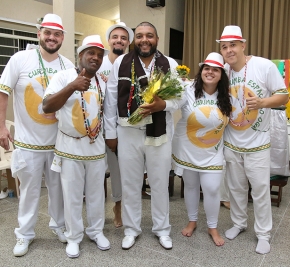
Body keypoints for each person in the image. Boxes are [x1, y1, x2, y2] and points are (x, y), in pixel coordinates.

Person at [0, 13, 75, 257]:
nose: (52, 38)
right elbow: (2, 93)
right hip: (28, 143)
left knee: (58, 190)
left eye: (57, 34)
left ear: (62, 37)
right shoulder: (20, 59)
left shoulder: (68, 66)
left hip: (59, 142)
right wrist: (0, 126)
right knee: (29, 191)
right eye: (47, 33)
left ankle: (59, 226)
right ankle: (25, 234)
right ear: (39, 33)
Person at [104, 21, 180, 250]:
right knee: (130, 183)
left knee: (159, 183)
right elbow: (110, 99)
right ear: (133, 40)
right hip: (128, 132)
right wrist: (110, 133)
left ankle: (162, 229)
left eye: (149, 35)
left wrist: (163, 105)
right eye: (139, 36)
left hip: (159, 133)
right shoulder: (120, 62)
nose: (144, 40)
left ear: (157, 39)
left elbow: (180, 99)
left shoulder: (171, 64)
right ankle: (131, 229)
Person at [217, 25, 289, 254]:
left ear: (243, 45)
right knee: (236, 188)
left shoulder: (263, 66)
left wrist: (262, 103)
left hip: (257, 143)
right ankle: (239, 223)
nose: (229, 50)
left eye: (233, 45)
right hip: (231, 141)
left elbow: (284, 96)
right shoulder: (223, 71)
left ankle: (263, 233)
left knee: (259, 189)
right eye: (224, 46)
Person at [42, 35, 110, 258]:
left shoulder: (102, 81)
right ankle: (73, 237)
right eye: (91, 53)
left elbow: (105, 113)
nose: (96, 58)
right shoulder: (63, 76)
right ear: (80, 55)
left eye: (100, 55)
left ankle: (96, 231)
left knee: (96, 194)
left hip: (96, 146)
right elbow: (46, 106)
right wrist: (72, 87)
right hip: (69, 147)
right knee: (71, 195)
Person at [172, 52, 231, 246]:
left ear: (221, 74)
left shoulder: (227, 96)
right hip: (188, 149)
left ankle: (212, 227)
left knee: (212, 188)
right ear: (201, 71)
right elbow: (171, 102)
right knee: (190, 186)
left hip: (213, 152)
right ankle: (192, 221)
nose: (210, 72)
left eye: (215, 69)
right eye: (207, 68)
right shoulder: (187, 89)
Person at [97, 22, 134, 228]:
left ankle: (118, 207)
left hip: (118, 128)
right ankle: (96, 211)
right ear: (109, 41)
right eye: (115, 37)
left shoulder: (131, 65)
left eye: (123, 38)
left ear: (128, 42)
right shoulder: (97, 63)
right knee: (95, 171)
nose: (119, 40)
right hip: (92, 128)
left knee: (119, 171)